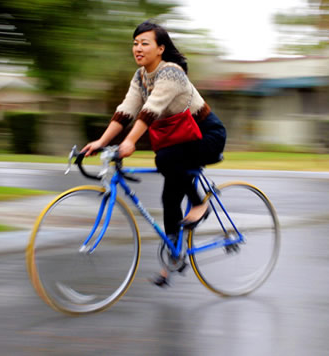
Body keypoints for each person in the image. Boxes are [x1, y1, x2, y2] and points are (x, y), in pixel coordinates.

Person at [82, 21, 226, 287]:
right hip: (182, 140)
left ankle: (199, 204)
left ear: (160, 48)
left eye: (144, 43)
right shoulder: (140, 76)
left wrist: (130, 141)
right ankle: (174, 256)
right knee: (169, 197)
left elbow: (152, 109)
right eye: (135, 43)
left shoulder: (171, 72)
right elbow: (127, 109)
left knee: (165, 159)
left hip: (207, 135)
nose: (138, 47)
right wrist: (100, 142)